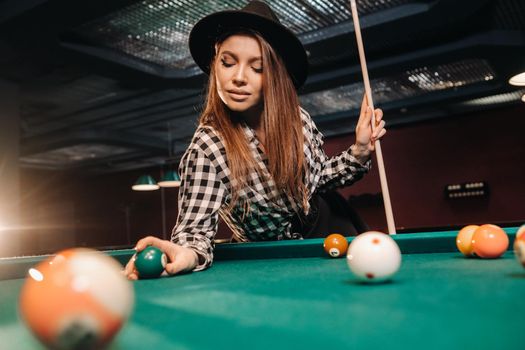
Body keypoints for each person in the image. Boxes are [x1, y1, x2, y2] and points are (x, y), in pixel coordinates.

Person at [124, 0, 386, 279]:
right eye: (228, 62)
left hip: (332, 227)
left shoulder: (298, 119)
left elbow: (319, 179)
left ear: (274, 75)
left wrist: (359, 150)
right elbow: (194, 234)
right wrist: (183, 254)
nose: (238, 77)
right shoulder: (207, 148)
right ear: (215, 63)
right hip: (265, 260)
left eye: (256, 68)